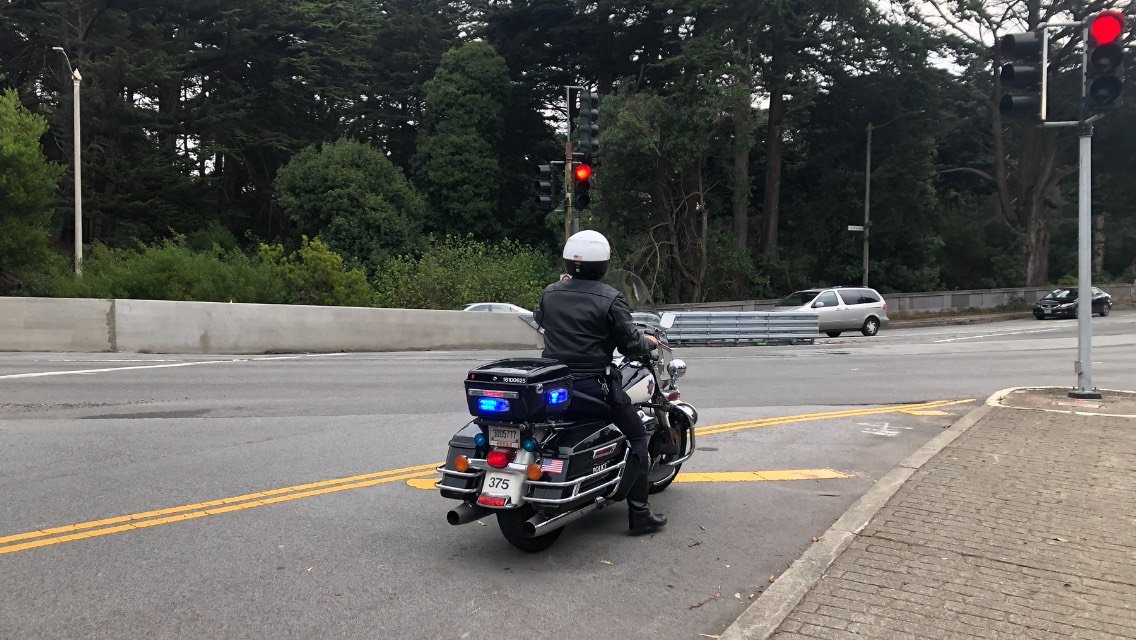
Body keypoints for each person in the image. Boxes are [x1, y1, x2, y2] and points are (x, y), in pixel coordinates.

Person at [533, 230, 667, 536]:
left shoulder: (551, 292)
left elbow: (541, 320)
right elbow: (630, 345)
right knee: (637, 435)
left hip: (552, 384)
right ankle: (640, 514)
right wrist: (648, 343)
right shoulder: (610, 297)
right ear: (604, 264)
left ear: (568, 261)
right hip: (592, 386)